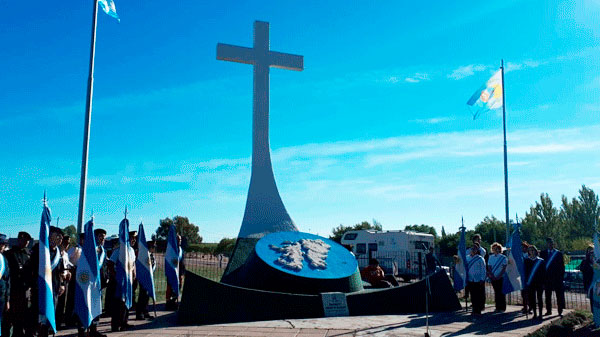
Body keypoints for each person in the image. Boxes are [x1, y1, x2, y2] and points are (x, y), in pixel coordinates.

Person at [26, 226, 67, 337]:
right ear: (50, 237)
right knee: (37, 314)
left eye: (61, 237)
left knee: (49, 313)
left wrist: (62, 284)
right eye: (57, 236)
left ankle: (45, 332)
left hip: (54, 288)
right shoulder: (40, 249)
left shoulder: (59, 253)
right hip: (40, 287)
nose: (60, 239)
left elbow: (61, 270)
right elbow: (32, 269)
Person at [2, 231, 31, 337]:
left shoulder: (28, 254)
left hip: (24, 290)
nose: (26, 242)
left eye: (28, 241)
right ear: (19, 240)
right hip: (13, 289)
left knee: (21, 316)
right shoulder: (9, 253)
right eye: (24, 240)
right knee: (9, 317)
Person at [107, 234, 136, 332]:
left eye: (135, 238)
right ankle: (115, 325)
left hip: (128, 281)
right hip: (118, 282)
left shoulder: (131, 250)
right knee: (117, 304)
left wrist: (133, 274)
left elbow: (132, 264)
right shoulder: (119, 250)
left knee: (126, 302)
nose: (134, 240)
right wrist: (116, 276)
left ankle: (124, 322)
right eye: (132, 238)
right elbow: (110, 264)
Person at [539, 237, 565, 317]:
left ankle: (560, 311)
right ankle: (548, 310)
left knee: (559, 295)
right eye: (548, 243)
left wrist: (561, 277)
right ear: (546, 244)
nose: (550, 244)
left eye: (551, 243)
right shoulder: (543, 253)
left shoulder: (558, 253)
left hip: (557, 278)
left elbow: (562, 266)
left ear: (554, 244)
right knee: (547, 295)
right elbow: (541, 267)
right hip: (547, 278)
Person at [136, 240, 156, 320]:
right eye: (153, 246)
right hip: (144, 277)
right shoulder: (144, 255)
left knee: (147, 295)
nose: (154, 248)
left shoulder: (152, 255)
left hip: (149, 278)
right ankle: (139, 313)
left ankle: (145, 311)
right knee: (142, 295)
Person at [524, 245, 545, 319]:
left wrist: (543, 282)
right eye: (530, 250)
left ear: (536, 251)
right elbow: (525, 272)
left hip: (539, 282)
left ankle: (540, 314)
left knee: (540, 298)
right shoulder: (526, 260)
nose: (531, 251)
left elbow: (543, 273)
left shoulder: (541, 261)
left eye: (533, 250)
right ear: (528, 252)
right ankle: (535, 314)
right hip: (530, 282)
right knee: (532, 299)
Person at [166, 235, 185, 310]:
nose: (179, 241)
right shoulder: (171, 249)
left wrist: (182, 273)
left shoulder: (181, 250)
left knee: (178, 286)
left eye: (180, 240)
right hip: (171, 271)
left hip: (179, 272)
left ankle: (174, 301)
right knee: (170, 287)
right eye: (178, 240)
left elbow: (182, 262)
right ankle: (168, 302)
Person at [487, 242, 508, 312]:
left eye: (496, 248)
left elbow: (504, 268)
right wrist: (492, 275)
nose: (495, 250)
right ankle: (497, 307)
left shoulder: (503, 257)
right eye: (493, 248)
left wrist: (499, 275)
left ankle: (502, 307)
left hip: (501, 277)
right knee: (496, 292)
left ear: (499, 249)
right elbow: (489, 267)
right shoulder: (491, 257)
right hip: (493, 277)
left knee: (501, 292)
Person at [466, 244, 486, 316]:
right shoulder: (467, 258)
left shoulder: (480, 258)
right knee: (473, 295)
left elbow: (483, 270)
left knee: (478, 295)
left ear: (477, 250)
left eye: (475, 249)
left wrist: (482, 279)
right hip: (470, 279)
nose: (473, 250)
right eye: (472, 249)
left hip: (478, 279)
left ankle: (478, 309)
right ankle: (474, 309)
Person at [578, 245, 595, 313]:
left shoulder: (597, 260)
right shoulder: (585, 261)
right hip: (589, 282)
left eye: (592, 251)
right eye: (589, 251)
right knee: (592, 299)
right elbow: (582, 269)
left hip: (597, 282)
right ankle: (593, 313)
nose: (590, 252)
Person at [0, 234, 10, 335]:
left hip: (1, 297)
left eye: (3, 244)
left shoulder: (4, 259)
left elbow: (7, 280)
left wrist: (7, 299)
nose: (3, 246)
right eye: (2, 244)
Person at [520, 241, 530, 314]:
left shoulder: (529, 255)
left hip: (528, 275)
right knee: (523, 293)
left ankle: (530, 306)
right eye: (522, 247)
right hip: (521, 276)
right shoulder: (519, 255)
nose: (523, 248)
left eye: (524, 247)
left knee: (529, 293)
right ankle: (525, 306)